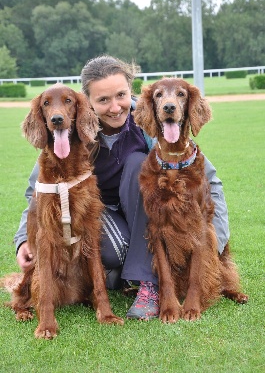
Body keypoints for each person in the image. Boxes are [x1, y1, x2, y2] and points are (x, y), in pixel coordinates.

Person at [14, 55, 230, 320]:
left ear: (131, 91)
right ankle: (120, 273)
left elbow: (211, 183)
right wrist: (22, 239)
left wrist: (215, 240)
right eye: (103, 100)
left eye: (121, 95)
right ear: (89, 102)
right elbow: (39, 190)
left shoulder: (153, 120)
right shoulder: (76, 129)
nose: (115, 107)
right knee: (112, 253)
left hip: (144, 211)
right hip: (103, 215)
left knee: (138, 162)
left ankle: (146, 284)